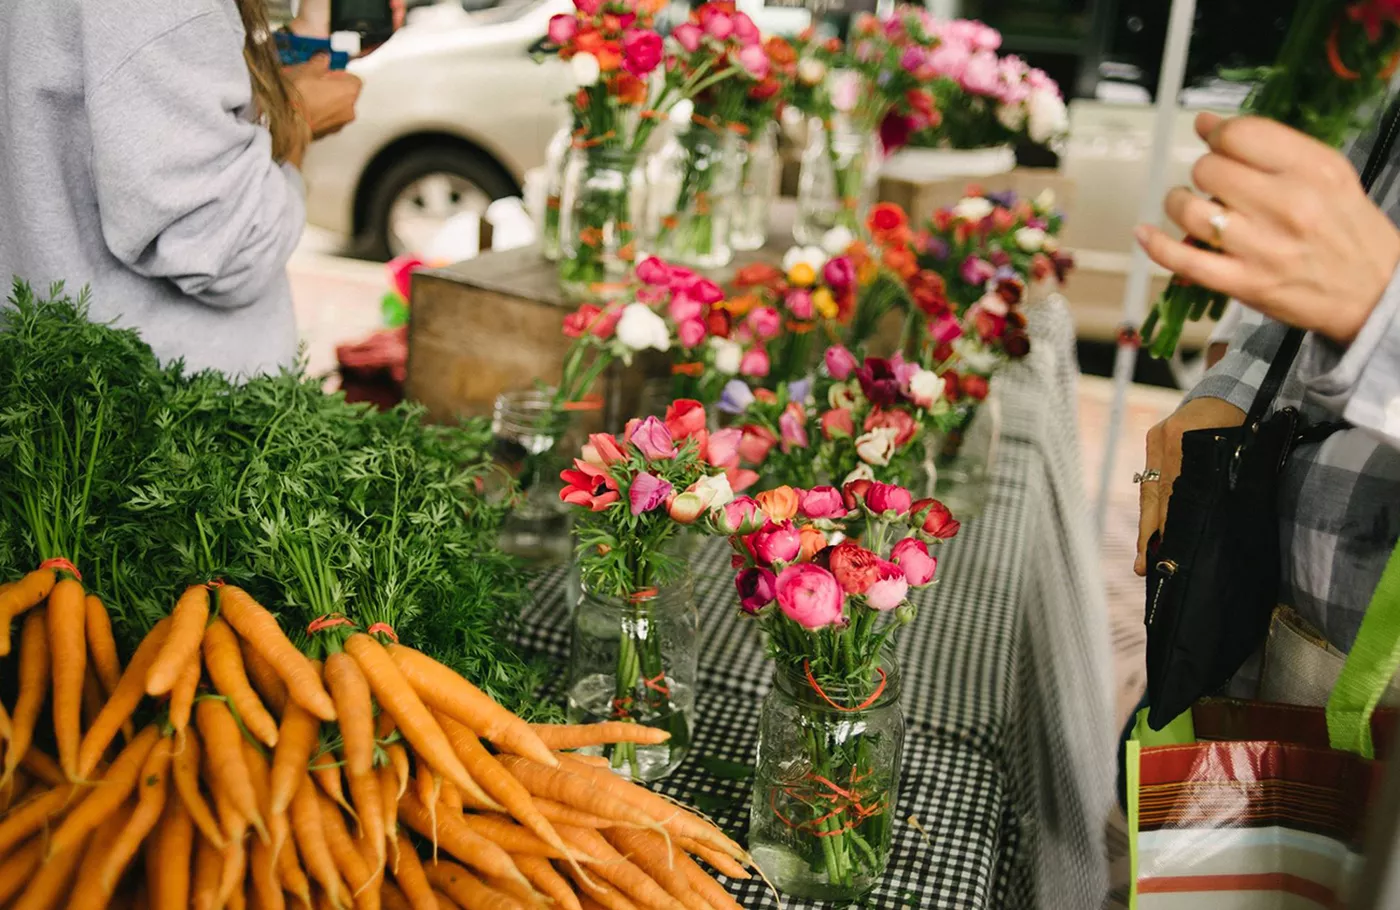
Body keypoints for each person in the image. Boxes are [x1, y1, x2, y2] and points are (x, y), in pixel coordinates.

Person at [1133, 111, 1400, 687]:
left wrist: (1384, 310)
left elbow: (1363, 283)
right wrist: (1229, 393)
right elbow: (1294, 288)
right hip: (1246, 613)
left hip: (1372, 681)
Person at [0, 0, 363, 377]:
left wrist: (307, 38)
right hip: (167, 407)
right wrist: (297, 122)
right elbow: (231, 251)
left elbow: (142, 87)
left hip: (57, 381)